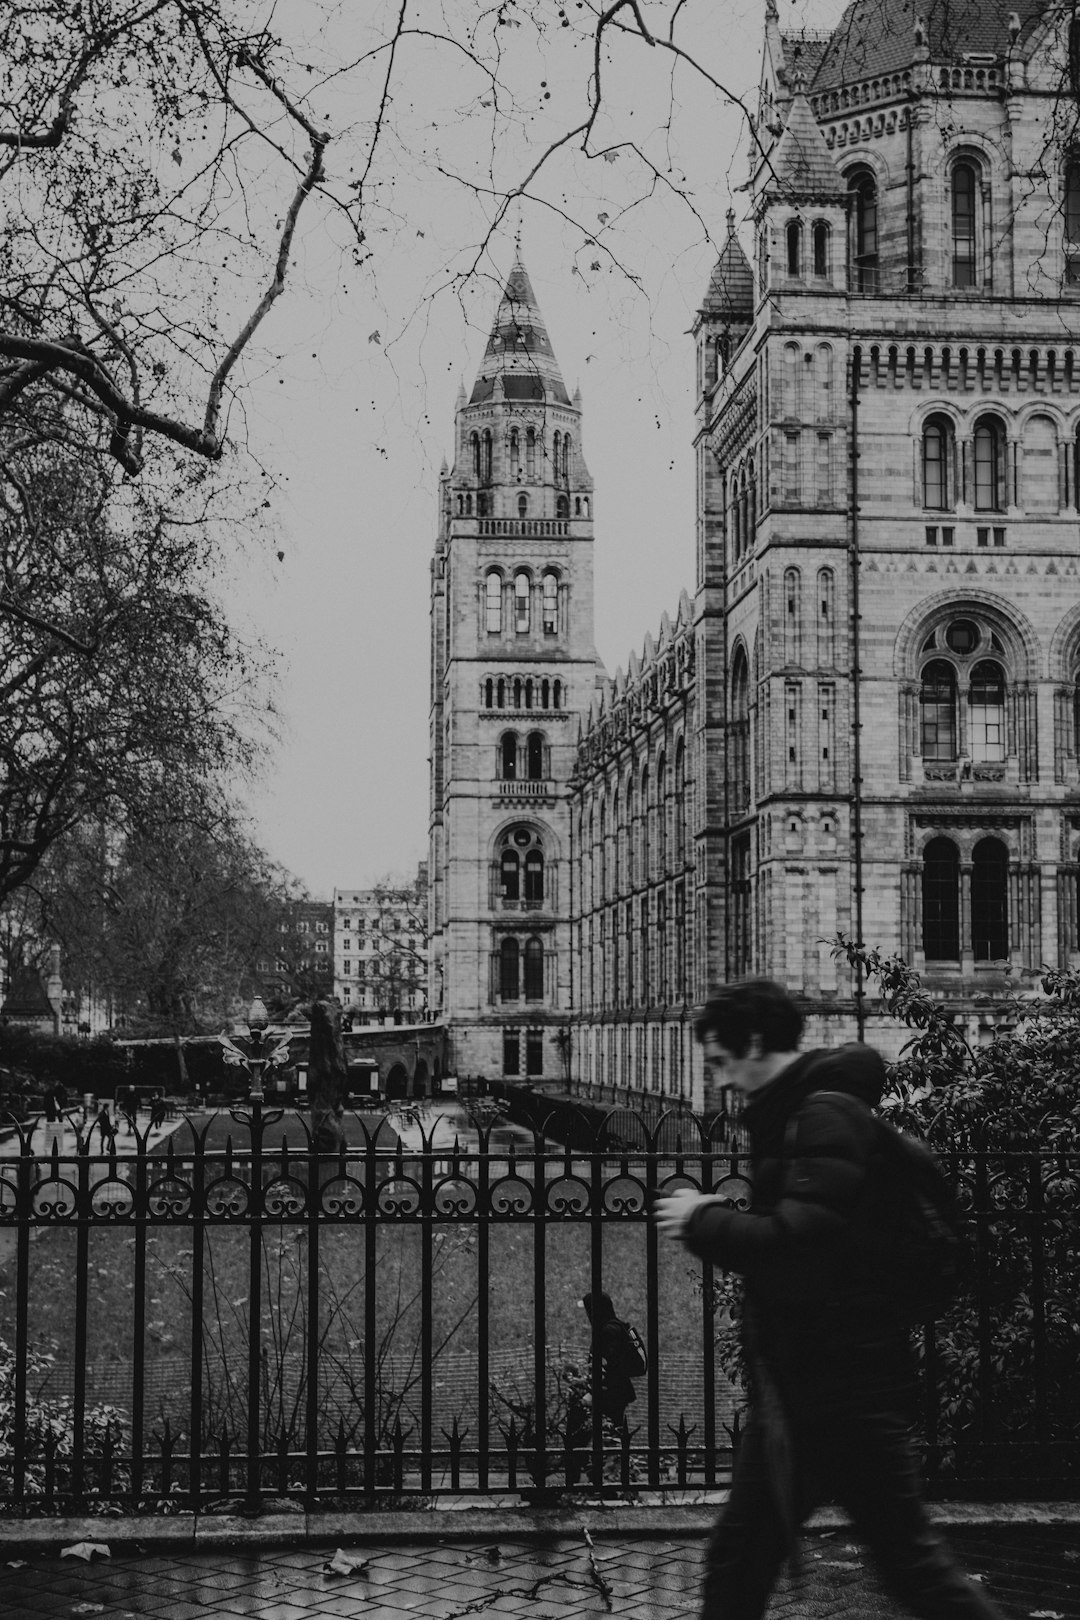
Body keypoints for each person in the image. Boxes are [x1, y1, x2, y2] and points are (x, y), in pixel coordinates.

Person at [653, 979, 1003, 1620]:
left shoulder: (820, 1114)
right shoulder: (793, 1115)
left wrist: (702, 1221)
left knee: (910, 1566)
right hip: (808, 1386)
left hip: (843, 1390)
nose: (720, 1080)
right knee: (742, 1558)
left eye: (720, 1061)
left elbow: (799, 1245)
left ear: (754, 1042)